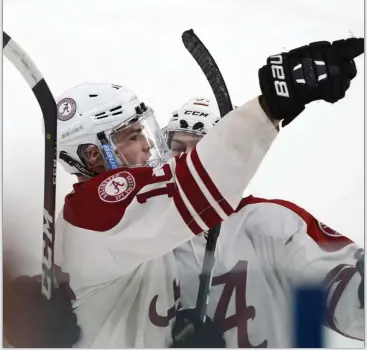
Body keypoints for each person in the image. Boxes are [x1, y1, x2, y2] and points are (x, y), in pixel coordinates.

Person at [3, 37, 363, 348]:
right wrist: (272, 105)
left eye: (204, 146)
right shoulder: (102, 209)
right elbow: (189, 185)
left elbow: (345, 300)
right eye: (132, 136)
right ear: (95, 154)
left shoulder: (263, 224)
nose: (150, 147)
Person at [163, 98, 364, 345]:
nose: (186, 160)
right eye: (177, 147)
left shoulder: (272, 221)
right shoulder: (148, 236)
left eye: (201, 149)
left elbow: (341, 297)